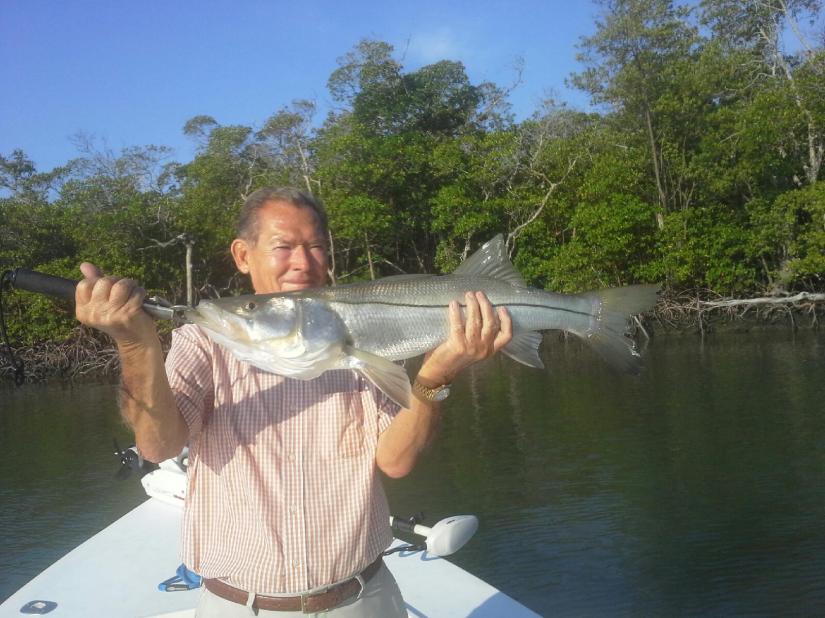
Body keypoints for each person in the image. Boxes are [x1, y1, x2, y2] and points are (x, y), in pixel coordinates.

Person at [75, 187, 512, 616]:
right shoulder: (203, 341)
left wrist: (436, 374)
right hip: (238, 606)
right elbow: (158, 446)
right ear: (243, 255)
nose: (302, 262)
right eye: (283, 246)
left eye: (316, 246)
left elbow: (396, 461)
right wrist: (136, 346)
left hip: (363, 598)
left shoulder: (363, 347)